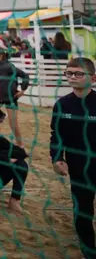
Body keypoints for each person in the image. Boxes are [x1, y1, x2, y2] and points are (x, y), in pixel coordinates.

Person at [50, 57, 96, 259]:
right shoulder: (62, 105)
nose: (72, 77)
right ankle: (89, 252)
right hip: (78, 167)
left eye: (78, 74)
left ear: (93, 78)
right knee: (82, 210)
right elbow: (56, 135)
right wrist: (57, 157)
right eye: (69, 73)